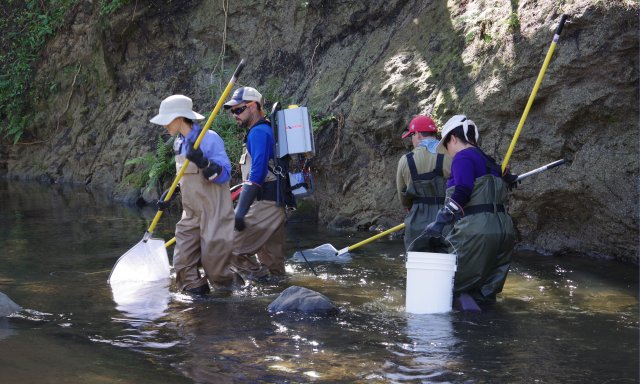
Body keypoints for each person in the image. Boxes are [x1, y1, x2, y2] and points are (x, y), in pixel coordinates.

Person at [150, 94, 240, 294]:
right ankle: (198, 308)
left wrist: (204, 163)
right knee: (182, 265)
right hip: (190, 214)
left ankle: (235, 291)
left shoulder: (209, 139)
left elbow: (224, 175)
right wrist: (172, 192)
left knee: (215, 270)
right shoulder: (178, 143)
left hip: (214, 211)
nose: (165, 126)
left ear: (180, 118)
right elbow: (184, 176)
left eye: (167, 120)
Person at [425, 114, 516, 303]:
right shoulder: (488, 160)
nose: (449, 151)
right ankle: (489, 328)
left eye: (447, 145)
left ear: (453, 138)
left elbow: (463, 189)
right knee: (486, 291)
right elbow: (504, 173)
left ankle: (459, 330)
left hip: (477, 232)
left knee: (450, 284)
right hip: (504, 231)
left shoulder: (462, 157)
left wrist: (441, 219)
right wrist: (509, 177)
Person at [223, 87, 286, 281]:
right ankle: (277, 293)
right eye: (232, 111)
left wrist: (241, 210)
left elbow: (257, 173)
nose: (235, 115)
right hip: (278, 203)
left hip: (266, 204)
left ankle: (260, 281)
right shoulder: (266, 130)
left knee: (227, 248)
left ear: (254, 106)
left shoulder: (258, 133)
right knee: (273, 264)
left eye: (239, 110)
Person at [396, 115, 452, 252]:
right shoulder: (451, 155)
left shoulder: (405, 160)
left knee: (418, 265)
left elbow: (403, 196)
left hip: (417, 220)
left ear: (419, 135)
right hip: (447, 219)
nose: (412, 140)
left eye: (412, 136)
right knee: (447, 265)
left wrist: (413, 208)